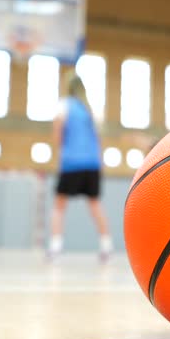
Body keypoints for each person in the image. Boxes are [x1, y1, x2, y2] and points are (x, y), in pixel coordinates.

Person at [48, 73, 113, 261]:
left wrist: (60, 153)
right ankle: (106, 245)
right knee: (95, 203)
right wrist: (99, 163)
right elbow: (97, 139)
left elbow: (58, 134)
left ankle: (56, 246)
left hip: (71, 162)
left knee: (59, 206)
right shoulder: (89, 110)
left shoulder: (64, 105)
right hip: (92, 163)